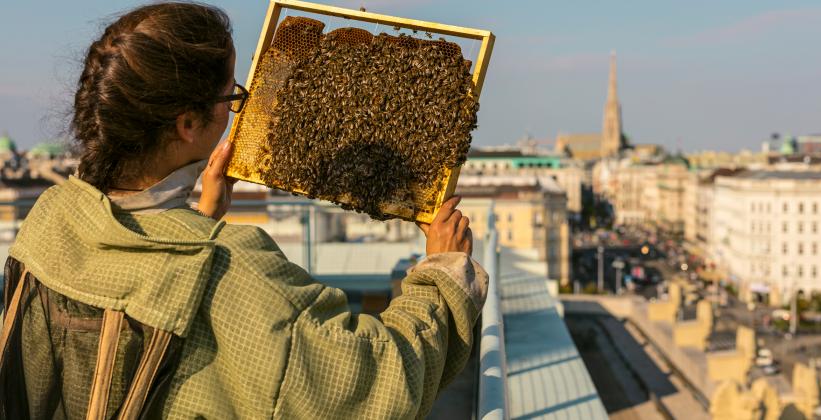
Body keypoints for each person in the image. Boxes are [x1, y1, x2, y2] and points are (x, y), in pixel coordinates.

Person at [0, 3, 487, 419]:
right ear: (188, 123)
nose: (239, 110)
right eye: (233, 97)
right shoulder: (230, 267)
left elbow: (138, 288)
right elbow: (375, 382)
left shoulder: (51, 221)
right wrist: (442, 274)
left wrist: (200, 217)